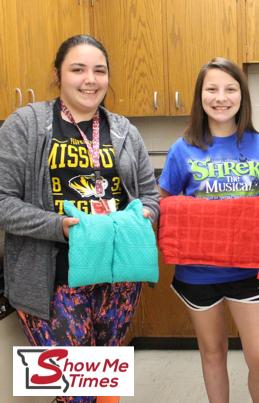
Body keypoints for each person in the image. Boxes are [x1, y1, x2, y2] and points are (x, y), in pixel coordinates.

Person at [0, 35, 159, 403]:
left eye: (99, 71)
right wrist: (58, 227)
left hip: (118, 276)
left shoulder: (123, 130)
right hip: (52, 278)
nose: (90, 79)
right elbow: (3, 202)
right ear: (58, 75)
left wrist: (144, 214)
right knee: (75, 392)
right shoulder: (25, 125)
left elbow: (149, 196)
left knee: (103, 386)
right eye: (78, 69)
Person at [157, 57, 259, 403]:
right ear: (200, 96)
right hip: (197, 271)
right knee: (213, 352)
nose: (221, 97)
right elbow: (163, 203)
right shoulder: (182, 148)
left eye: (230, 89)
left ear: (241, 96)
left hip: (250, 267)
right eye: (212, 89)